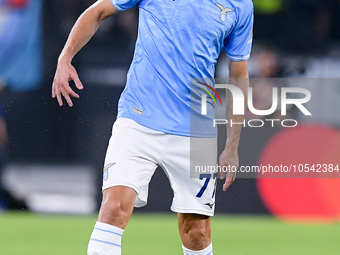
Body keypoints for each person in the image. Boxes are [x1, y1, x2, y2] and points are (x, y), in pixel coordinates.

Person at [52, 0, 253, 254]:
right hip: (138, 118)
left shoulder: (240, 5)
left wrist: (232, 146)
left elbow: (239, 75)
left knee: (196, 233)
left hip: (196, 130)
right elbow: (99, 11)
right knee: (113, 209)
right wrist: (65, 57)